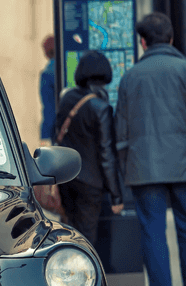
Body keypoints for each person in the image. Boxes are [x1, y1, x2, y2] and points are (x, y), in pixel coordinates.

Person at [115, 12, 186, 286]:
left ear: (143, 42)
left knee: (153, 232)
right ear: (171, 38)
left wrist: (126, 170)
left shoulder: (130, 77)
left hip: (144, 170)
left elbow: (121, 131)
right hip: (185, 167)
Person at [54, 51, 124, 246]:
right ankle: (85, 274)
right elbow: (106, 154)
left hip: (67, 178)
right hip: (90, 183)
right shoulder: (101, 107)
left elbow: (57, 134)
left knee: (70, 230)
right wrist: (116, 195)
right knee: (87, 238)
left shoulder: (67, 99)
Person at [40, 35, 57, 145]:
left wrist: (44, 136)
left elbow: (48, 108)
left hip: (57, 129)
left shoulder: (46, 74)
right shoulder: (72, 67)